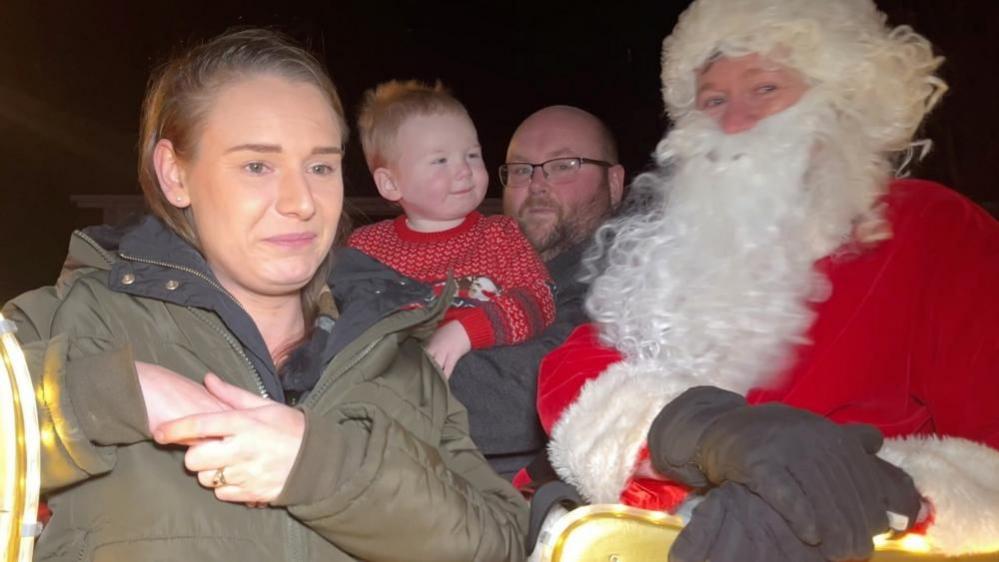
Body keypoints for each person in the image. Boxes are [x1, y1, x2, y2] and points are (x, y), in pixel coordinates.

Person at [4, 29, 526, 561]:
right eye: (258, 165)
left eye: (320, 166)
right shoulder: (85, 318)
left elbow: (502, 544)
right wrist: (122, 393)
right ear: (174, 173)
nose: (302, 202)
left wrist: (319, 466)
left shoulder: (397, 356)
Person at [534, 0, 999, 560]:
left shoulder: (931, 226)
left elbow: (987, 455)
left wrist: (859, 494)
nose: (733, 123)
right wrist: (694, 430)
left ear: (837, 100)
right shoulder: (688, 241)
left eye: (764, 90)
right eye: (714, 100)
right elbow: (576, 370)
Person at [448, 105, 625, 478]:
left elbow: (525, 392)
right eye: (521, 170)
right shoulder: (481, 263)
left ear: (614, 183)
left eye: (564, 165)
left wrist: (375, 367)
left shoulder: (628, 280)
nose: (537, 184)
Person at [347, 80, 556, 378]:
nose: (464, 170)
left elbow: (541, 299)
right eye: (440, 160)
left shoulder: (500, 235)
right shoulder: (366, 247)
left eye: (472, 155)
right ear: (391, 183)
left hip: (482, 392)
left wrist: (464, 332)